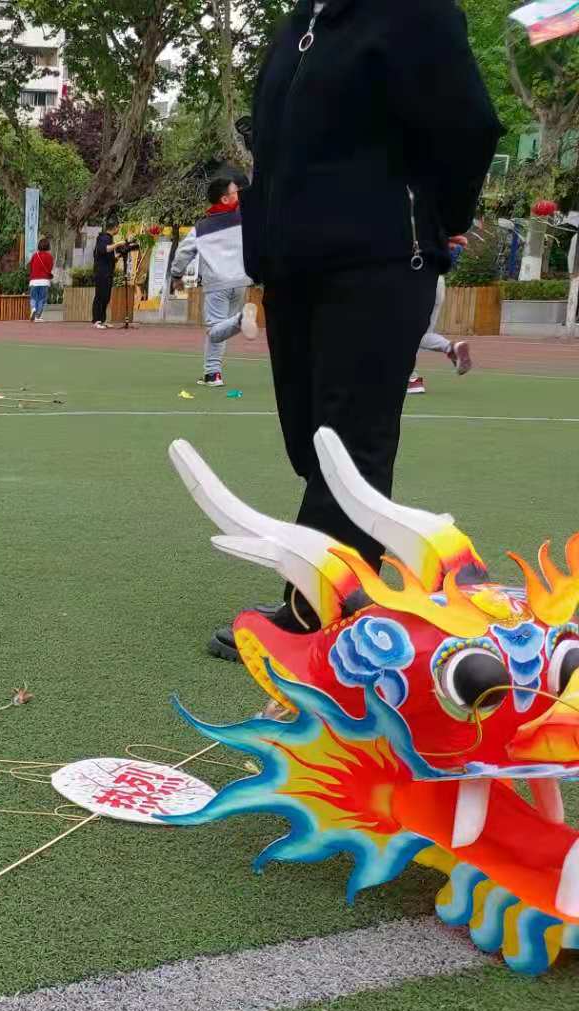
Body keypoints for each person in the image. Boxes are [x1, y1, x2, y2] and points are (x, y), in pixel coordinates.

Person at [207, 0, 501, 659]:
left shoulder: (412, 13)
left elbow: (471, 124)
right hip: (292, 264)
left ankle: (321, 605)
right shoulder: (298, 24)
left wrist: (438, 216)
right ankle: (333, 576)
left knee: (350, 435)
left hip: (379, 258)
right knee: (309, 435)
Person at [168, 177, 259, 388]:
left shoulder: (201, 227)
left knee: (215, 330)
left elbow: (183, 253)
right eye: (236, 192)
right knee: (222, 329)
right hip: (241, 282)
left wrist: (176, 276)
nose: (239, 195)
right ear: (225, 198)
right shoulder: (245, 219)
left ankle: (240, 319)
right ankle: (212, 374)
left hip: (217, 285)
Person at [410, 233, 474, 394]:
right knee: (422, 334)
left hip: (414, 279)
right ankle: (452, 347)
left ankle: (410, 378)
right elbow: (458, 243)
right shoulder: (430, 222)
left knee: (403, 332)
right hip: (437, 280)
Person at [90, 217, 130, 328]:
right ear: (115, 227)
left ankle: (102, 320)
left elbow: (108, 255)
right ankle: (96, 320)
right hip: (101, 272)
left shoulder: (109, 238)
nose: (118, 229)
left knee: (106, 296)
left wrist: (119, 255)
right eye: (118, 227)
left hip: (108, 271)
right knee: (100, 296)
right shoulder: (103, 237)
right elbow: (105, 249)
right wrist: (118, 244)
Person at [26, 238, 53, 322]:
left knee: (33, 297)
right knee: (41, 299)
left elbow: (30, 266)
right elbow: (50, 267)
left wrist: (31, 276)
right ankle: (38, 316)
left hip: (34, 281)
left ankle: (33, 309)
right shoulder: (50, 256)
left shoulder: (35, 255)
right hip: (44, 281)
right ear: (48, 246)